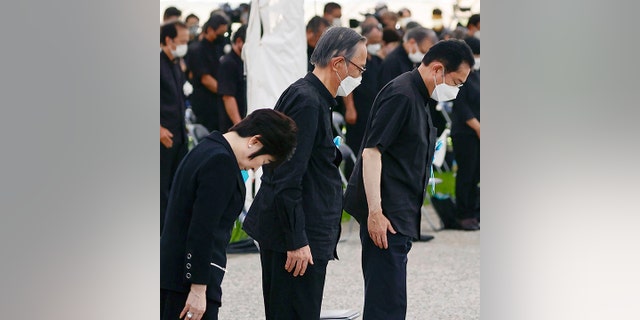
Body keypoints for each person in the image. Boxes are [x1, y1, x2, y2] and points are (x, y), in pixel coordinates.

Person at [343, 39, 474, 319]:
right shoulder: (402, 94)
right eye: (457, 82)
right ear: (438, 69)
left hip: (399, 211)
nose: (457, 90)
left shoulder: (419, 96)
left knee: (392, 300)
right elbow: (371, 153)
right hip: (386, 215)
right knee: (385, 304)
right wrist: (375, 212)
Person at [243, 27, 367, 319]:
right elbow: (287, 177)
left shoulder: (308, 95)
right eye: (359, 68)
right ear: (338, 64)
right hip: (297, 238)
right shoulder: (308, 102)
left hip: (300, 231)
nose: (360, 76)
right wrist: (296, 240)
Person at [160, 109, 298, 320]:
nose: (254, 169)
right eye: (263, 162)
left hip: (176, 275)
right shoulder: (221, 163)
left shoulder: (207, 148)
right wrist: (198, 288)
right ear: (255, 141)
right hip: (187, 282)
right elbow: (202, 229)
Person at [344, 21, 384, 178]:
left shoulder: (378, 61)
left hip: (373, 110)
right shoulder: (355, 59)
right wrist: (350, 107)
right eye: (373, 42)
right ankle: (351, 176)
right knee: (356, 145)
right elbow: (348, 83)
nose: (376, 45)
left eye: (378, 41)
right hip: (358, 110)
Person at [160, 21, 190, 234]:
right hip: (163, 134)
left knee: (177, 185)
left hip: (179, 133)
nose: (184, 46)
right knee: (160, 188)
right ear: (168, 40)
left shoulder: (176, 64)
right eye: (182, 42)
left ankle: (172, 230)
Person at [451, 36, 481, 230]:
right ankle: (463, 214)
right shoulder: (462, 75)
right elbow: (462, 107)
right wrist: (478, 127)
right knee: (466, 174)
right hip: (465, 132)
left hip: (479, 133)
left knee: (477, 174)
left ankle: (475, 211)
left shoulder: (478, 74)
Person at [186, 14, 229, 133]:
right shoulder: (197, 50)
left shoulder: (218, 47)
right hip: (204, 104)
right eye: (219, 34)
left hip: (217, 103)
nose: (221, 37)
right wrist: (226, 92)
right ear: (210, 30)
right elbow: (206, 79)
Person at [217, 25, 247, 133]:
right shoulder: (228, 63)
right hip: (232, 125)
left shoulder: (244, 62)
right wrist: (239, 125)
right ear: (239, 41)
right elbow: (228, 97)